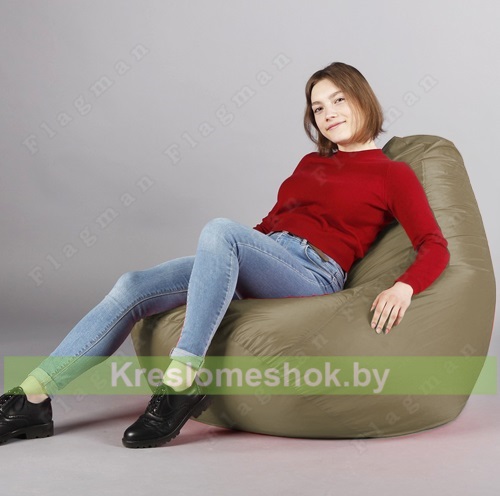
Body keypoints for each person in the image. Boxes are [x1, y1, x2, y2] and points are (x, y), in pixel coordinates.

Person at [0, 62, 450, 448]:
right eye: (318, 108)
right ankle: (31, 400)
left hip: (314, 272)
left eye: (338, 100)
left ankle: (180, 382)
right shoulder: (310, 164)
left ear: (362, 99)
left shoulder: (392, 174)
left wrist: (404, 286)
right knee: (132, 285)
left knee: (220, 230)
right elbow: (269, 226)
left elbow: (435, 244)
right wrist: (226, 260)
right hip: (269, 255)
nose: (328, 114)